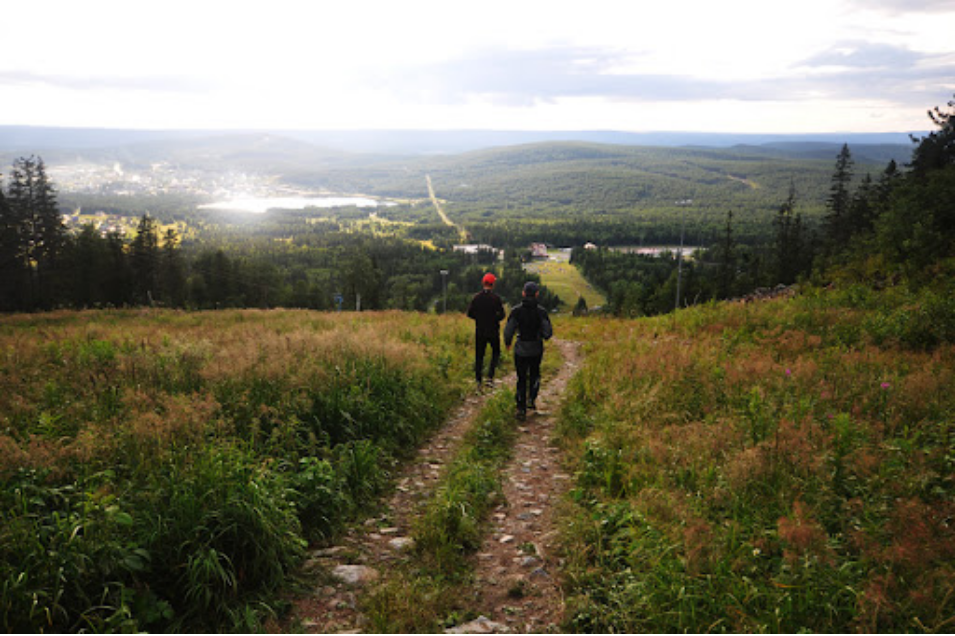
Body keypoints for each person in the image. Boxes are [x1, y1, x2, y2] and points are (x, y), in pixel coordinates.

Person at [504, 281, 553, 420]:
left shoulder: (516, 310)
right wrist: (541, 335)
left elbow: (509, 330)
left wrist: (508, 342)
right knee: (535, 374)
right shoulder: (541, 312)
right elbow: (548, 333)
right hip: (536, 348)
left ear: (523, 293)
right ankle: (531, 398)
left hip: (521, 348)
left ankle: (521, 408)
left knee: (521, 378)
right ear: (537, 294)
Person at [466, 272, 505, 389]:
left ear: (483, 283)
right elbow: (502, 314)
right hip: (493, 331)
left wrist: (479, 319)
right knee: (496, 353)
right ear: (493, 284)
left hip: (480, 330)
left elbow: (470, 313)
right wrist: (494, 319)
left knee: (479, 356)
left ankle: (478, 380)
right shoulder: (496, 298)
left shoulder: (476, 298)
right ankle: (490, 377)